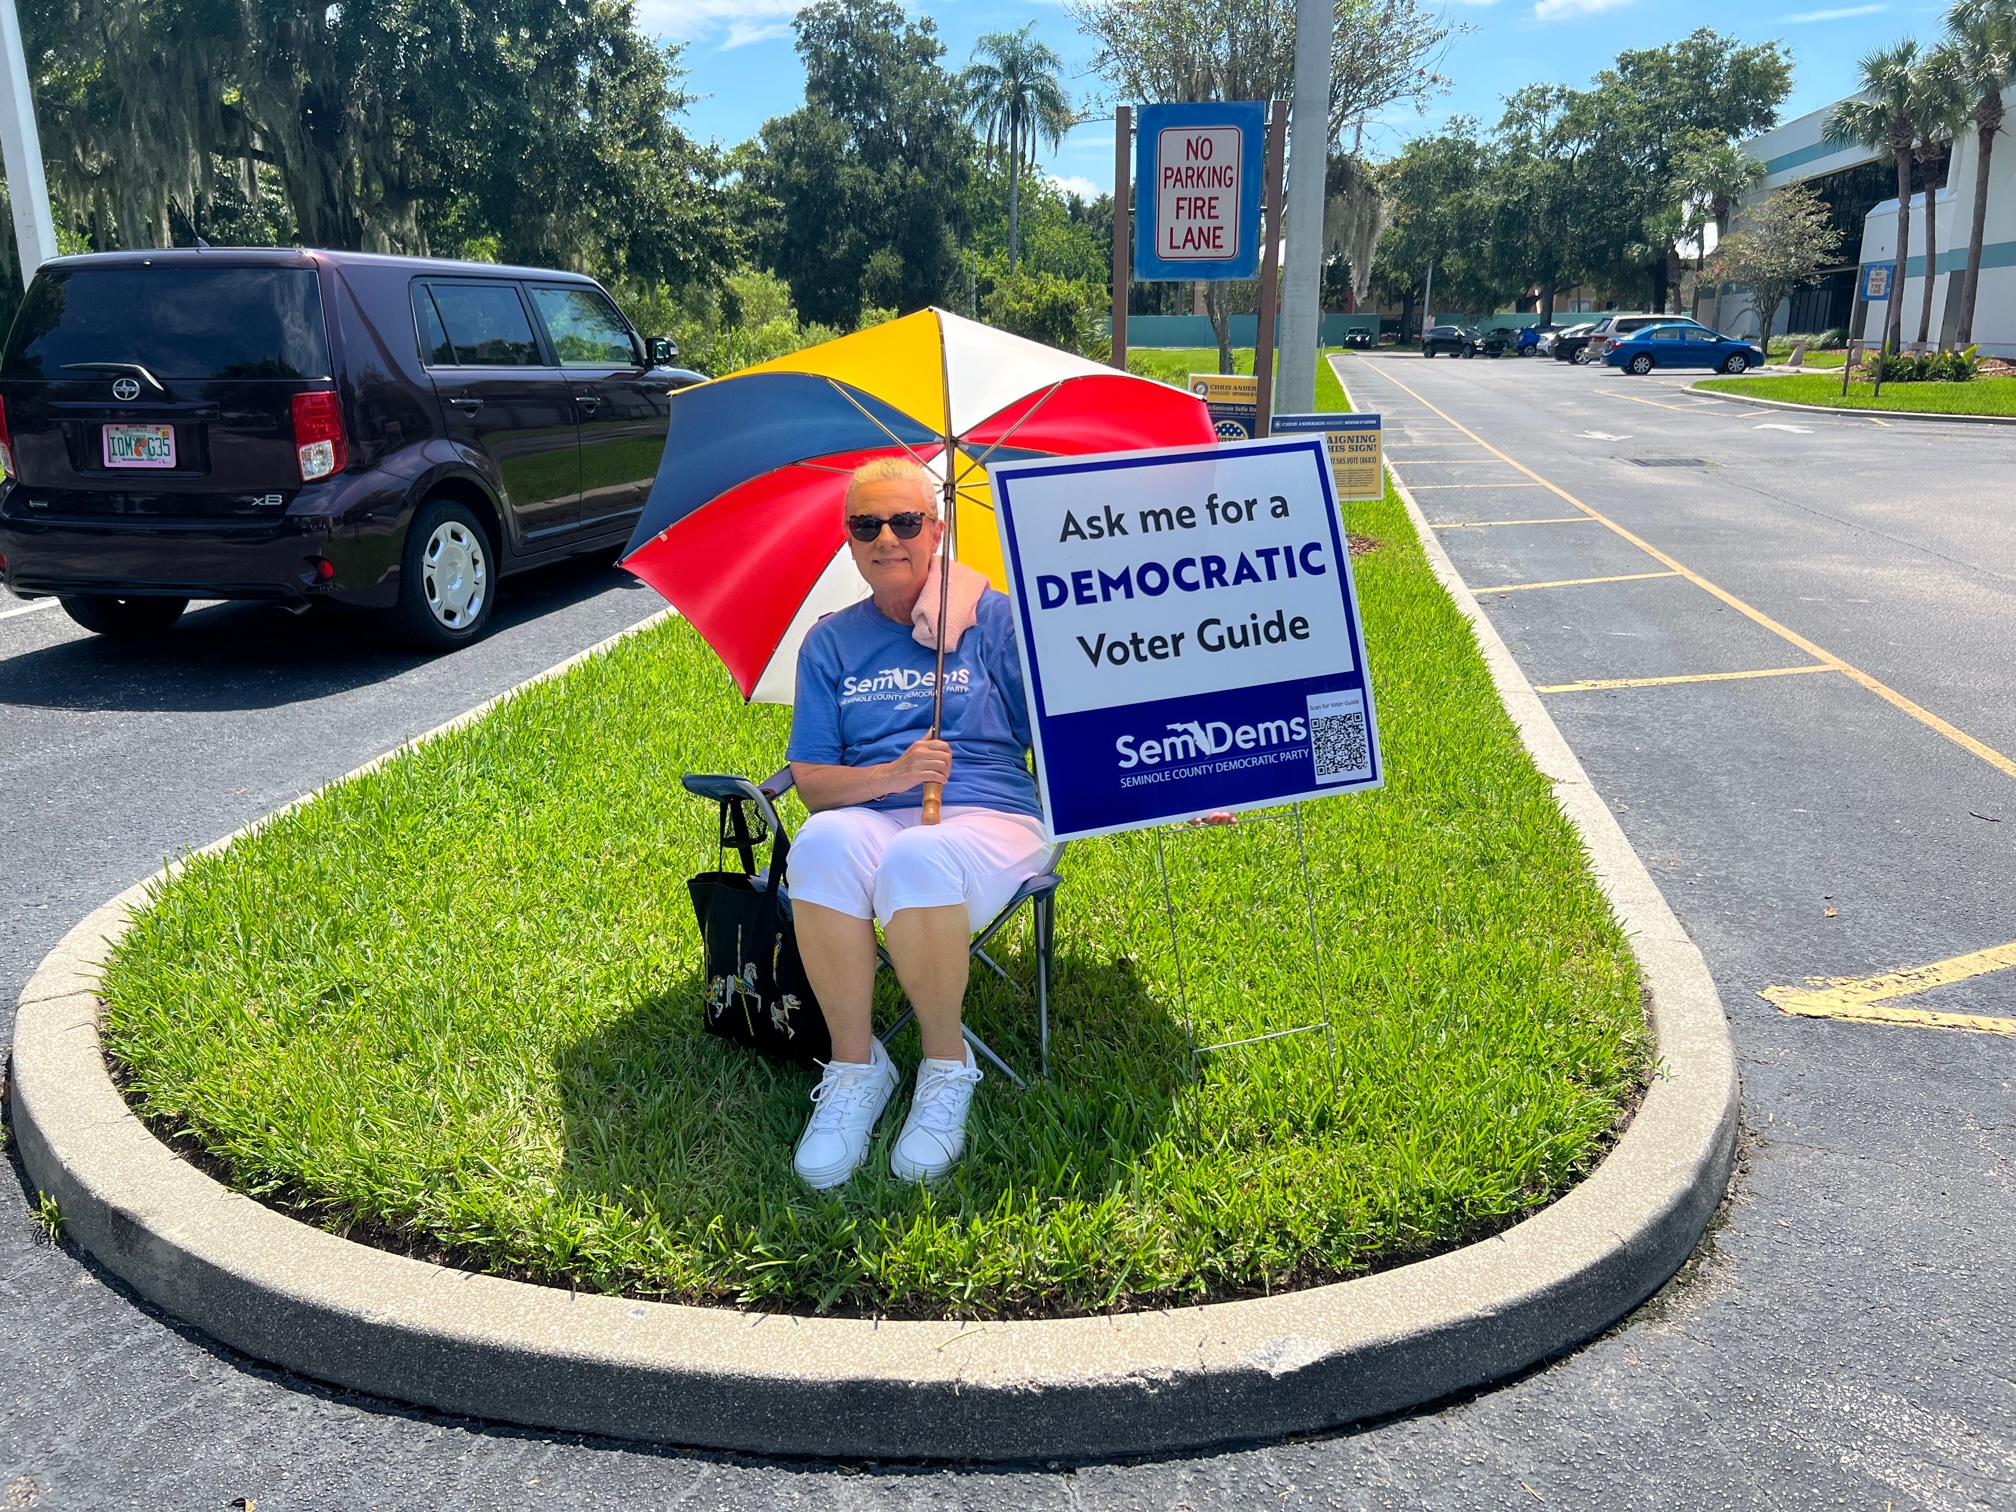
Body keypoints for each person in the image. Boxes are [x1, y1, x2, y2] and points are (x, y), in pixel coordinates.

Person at [783, 457, 1049, 1189]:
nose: (887, 538)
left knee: (917, 861)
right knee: (823, 841)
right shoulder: (831, 642)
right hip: (875, 809)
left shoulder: (992, 619)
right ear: (848, 539)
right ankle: (855, 1068)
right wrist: (893, 776)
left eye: (905, 521)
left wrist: (1152, 782)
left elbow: (1062, 725)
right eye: (866, 524)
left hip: (991, 815)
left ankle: (944, 1066)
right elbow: (811, 782)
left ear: (936, 529)